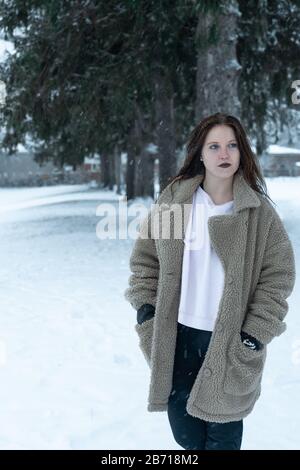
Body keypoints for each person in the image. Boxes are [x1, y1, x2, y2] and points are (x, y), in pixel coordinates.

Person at [124, 112, 296, 450]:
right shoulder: (176, 202)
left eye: (232, 145)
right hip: (177, 339)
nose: (224, 154)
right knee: (186, 438)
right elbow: (146, 260)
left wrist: (253, 335)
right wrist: (146, 311)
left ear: (242, 152)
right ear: (199, 153)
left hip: (231, 343)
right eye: (214, 145)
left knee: (223, 441)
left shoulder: (257, 213)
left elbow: (279, 276)